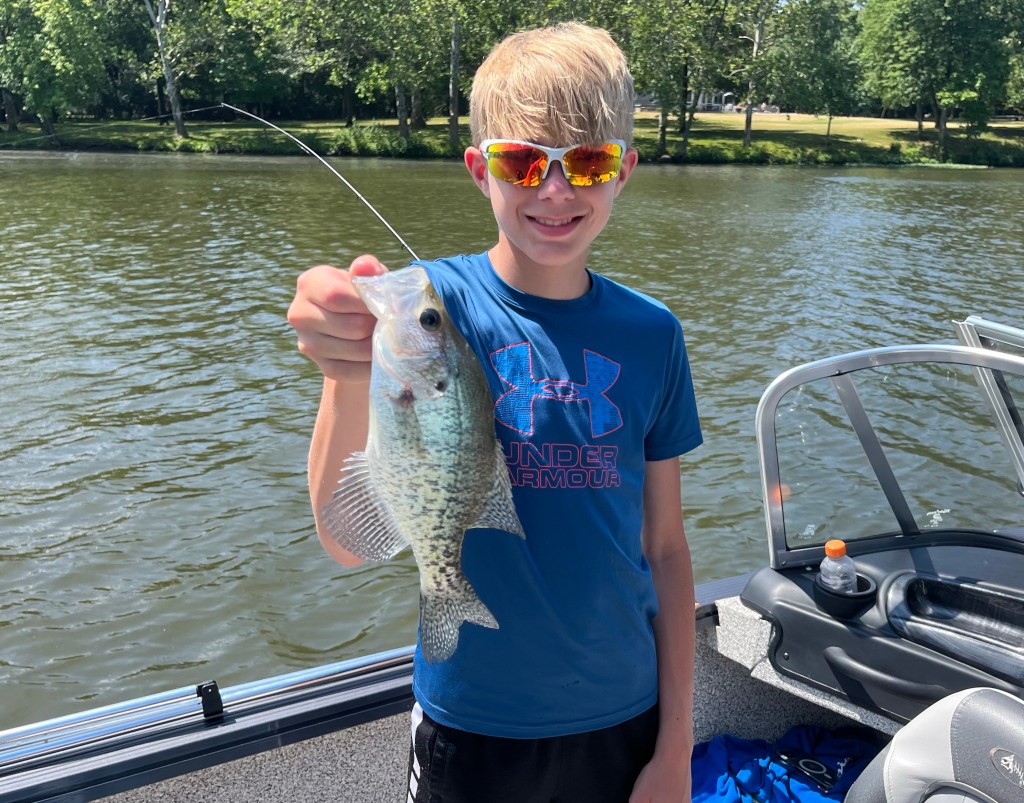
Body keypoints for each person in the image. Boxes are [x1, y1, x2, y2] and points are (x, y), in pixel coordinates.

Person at [287, 22, 702, 803]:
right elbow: (345, 543)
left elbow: (667, 547)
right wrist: (343, 363)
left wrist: (677, 741)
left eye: (588, 162)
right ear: (481, 170)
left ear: (623, 170)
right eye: (522, 161)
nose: (556, 190)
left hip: (627, 712)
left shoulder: (653, 334)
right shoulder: (435, 310)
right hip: (473, 722)